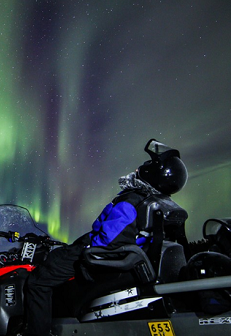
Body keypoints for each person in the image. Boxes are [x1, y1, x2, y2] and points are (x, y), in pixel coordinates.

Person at [23, 139, 188, 336]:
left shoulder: (133, 200)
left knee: (38, 281)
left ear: (152, 172)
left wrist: (83, 254)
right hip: (133, 258)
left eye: (145, 166)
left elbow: (107, 242)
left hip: (104, 256)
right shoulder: (162, 204)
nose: (137, 169)